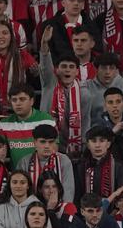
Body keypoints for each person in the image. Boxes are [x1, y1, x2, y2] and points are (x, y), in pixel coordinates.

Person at [38, 26, 92, 156]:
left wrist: (84, 151)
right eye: (64, 66)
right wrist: (44, 44)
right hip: (48, 145)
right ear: (57, 70)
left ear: (77, 71)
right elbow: (45, 63)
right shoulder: (50, 83)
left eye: (71, 67)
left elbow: (85, 124)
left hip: (74, 149)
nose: (67, 70)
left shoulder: (84, 94)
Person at [0, 84, 57, 168]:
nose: (18, 103)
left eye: (22, 99)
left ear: (32, 101)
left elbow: (54, 148)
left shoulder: (46, 120)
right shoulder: (4, 124)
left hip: (44, 174)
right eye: (14, 100)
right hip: (18, 178)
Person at [18, 125, 76, 204]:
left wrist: (62, 212)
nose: (47, 146)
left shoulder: (64, 160)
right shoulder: (25, 162)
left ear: (55, 142)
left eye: (51, 142)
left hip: (58, 209)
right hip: (30, 210)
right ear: (34, 142)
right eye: (42, 142)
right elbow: (20, 191)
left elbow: (68, 192)